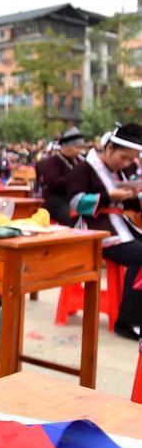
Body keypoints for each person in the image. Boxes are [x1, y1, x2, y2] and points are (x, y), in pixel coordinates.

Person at [67, 123, 142, 341]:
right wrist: (111, 197)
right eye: (124, 157)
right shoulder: (83, 169)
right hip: (93, 230)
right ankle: (128, 321)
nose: (127, 163)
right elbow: (75, 202)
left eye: (131, 159)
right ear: (108, 148)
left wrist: (132, 196)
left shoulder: (119, 171)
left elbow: (126, 204)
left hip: (117, 224)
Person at [38, 127, 85, 225]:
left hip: (76, 199)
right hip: (57, 201)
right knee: (74, 219)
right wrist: (75, 178)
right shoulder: (52, 162)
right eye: (77, 147)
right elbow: (52, 183)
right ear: (66, 146)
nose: (80, 151)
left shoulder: (79, 161)